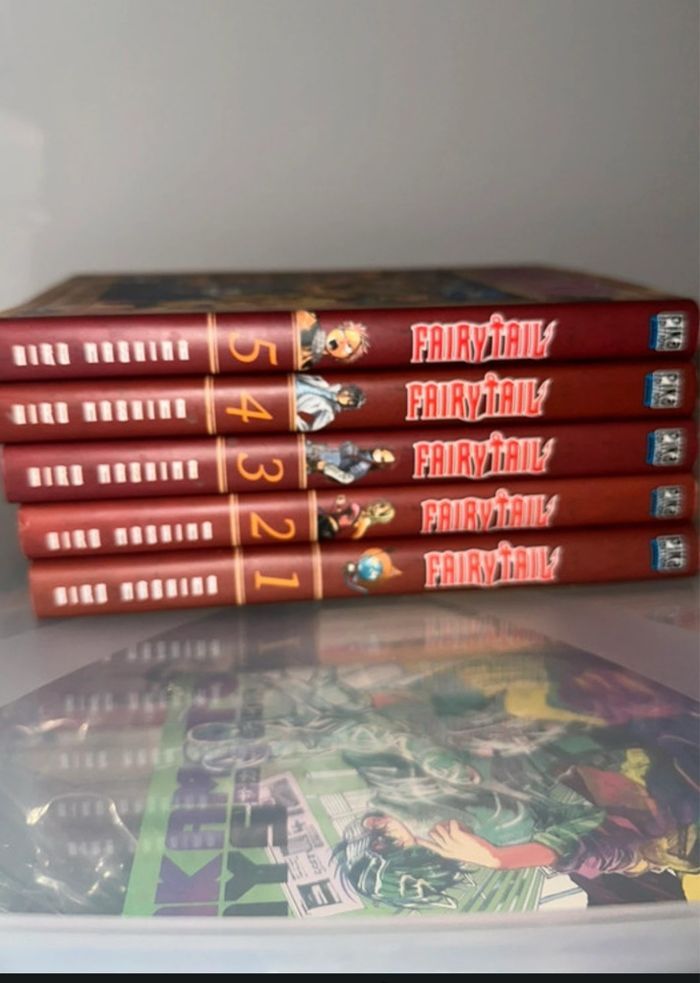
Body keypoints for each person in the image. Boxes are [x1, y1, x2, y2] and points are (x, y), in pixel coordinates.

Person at [295, 376, 366, 432]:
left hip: (291, 400)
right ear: (347, 389)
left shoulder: (329, 412)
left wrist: (293, 417)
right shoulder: (325, 384)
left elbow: (308, 429)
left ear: (347, 405)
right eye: (349, 393)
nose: (345, 396)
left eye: (348, 400)